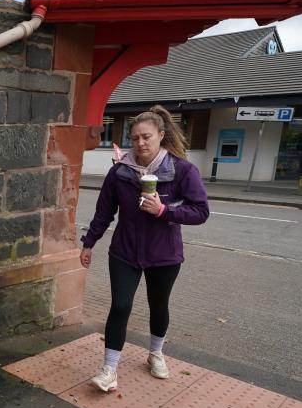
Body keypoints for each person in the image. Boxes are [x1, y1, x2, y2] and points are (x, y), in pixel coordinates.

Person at [80, 105, 209, 392]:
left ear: (161, 135)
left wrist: (164, 211)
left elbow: (200, 211)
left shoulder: (182, 170)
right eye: (135, 137)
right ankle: (109, 370)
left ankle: (156, 354)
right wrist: (89, 242)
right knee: (121, 306)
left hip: (164, 254)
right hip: (125, 251)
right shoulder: (120, 173)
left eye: (146, 137)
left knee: (158, 305)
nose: (140, 143)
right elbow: (104, 213)